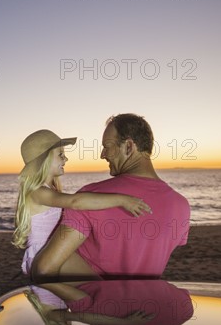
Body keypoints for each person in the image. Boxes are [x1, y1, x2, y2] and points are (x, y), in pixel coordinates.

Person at [31, 114, 191, 280]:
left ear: (129, 146)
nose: (102, 154)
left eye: (107, 146)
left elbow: (44, 269)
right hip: (146, 303)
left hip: (94, 303)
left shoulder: (92, 197)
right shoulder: (182, 206)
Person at [12, 129, 151, 276]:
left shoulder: (49, 189)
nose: (66, 159)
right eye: (60, 155)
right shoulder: (38, 192)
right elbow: (75, 202)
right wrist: (122, 200)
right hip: (44, 253)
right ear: (44, 160)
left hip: (52, 249)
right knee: (97, 286)